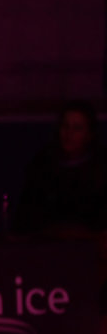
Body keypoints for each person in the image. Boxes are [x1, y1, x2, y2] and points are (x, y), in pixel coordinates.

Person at [13, 100, 107, 240]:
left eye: (77, 128)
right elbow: (26, 217)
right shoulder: (43, 166)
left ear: (89, 134)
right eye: (65, 126)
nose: (69, 134)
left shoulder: (101, 169)